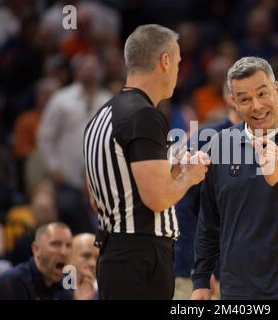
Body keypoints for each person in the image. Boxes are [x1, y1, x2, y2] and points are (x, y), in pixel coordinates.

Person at [83, 24, 210, 300]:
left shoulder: (101, 116)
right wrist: (190, 174)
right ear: (165, 61)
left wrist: (170, 171)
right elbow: (158, 198)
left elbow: (100, 197)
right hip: (140, 258)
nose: (178, 71)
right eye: (177, 63)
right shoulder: (144, 116)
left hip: (114, 254)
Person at [191, 57, 278, 300]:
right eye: (245, 99)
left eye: (262, 93)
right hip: (238, 292)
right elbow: (209, 220)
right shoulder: (222, 144)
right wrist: (201, 280)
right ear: (233, 103)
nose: (256, 106)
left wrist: (277, 181)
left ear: (277, 90)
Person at [173, 83, 241, 300]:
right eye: (245, 95)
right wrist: (201, 266)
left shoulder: (270, 142)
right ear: (230, 99)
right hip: (200, 271)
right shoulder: (205, 139)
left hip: (249, 272)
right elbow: (183, 208)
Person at [38, 53, 112, 235]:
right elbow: (45, 136)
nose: (89, 71)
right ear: (77, 71)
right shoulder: (61, 99)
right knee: (68, 215)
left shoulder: (109, 100)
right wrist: (54, 166)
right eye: (85, 67)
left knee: (101, 226)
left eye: (93, 67)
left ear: (101, 72)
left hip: (100, 179)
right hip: (67, 177)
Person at [0, 222, 73, 300]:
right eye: (56, 244)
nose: (64, 252)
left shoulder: (67, 286)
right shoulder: (12, 282)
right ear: (36, 249)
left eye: (68, 245)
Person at [69, 233, 99, 300]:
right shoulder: (55, 287)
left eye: (97, 258)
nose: (93, 264)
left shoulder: (106, 291)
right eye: (86, 256)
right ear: (69, 257)